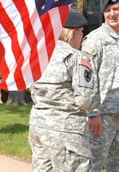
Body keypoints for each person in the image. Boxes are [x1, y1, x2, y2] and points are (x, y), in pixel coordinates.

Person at [28, 12, 100, 171]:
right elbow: (85, 101)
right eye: (82, 31)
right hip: (66, 130)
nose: (82, 36)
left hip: (38, 126)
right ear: (74, 33)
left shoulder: (39, 56)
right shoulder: (77, 58)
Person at [82, 0, 119, 171]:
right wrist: (92, 112)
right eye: (108, 10)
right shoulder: (95, 39)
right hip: (102, 115)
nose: (113, 14)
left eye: (116, 9)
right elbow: (86, 80)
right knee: (93, 163)